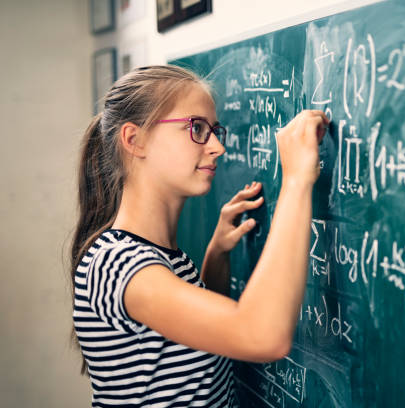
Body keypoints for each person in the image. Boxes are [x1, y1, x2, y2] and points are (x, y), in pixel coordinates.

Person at [69, 65, 329, 407]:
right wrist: (296, 178)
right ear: (135, 140)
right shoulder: (117, 263)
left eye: (214, 130)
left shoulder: (160, 257)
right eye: (197, 128)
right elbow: (263, 337)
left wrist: (216, 255)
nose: (218, 147)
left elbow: (187, 342)